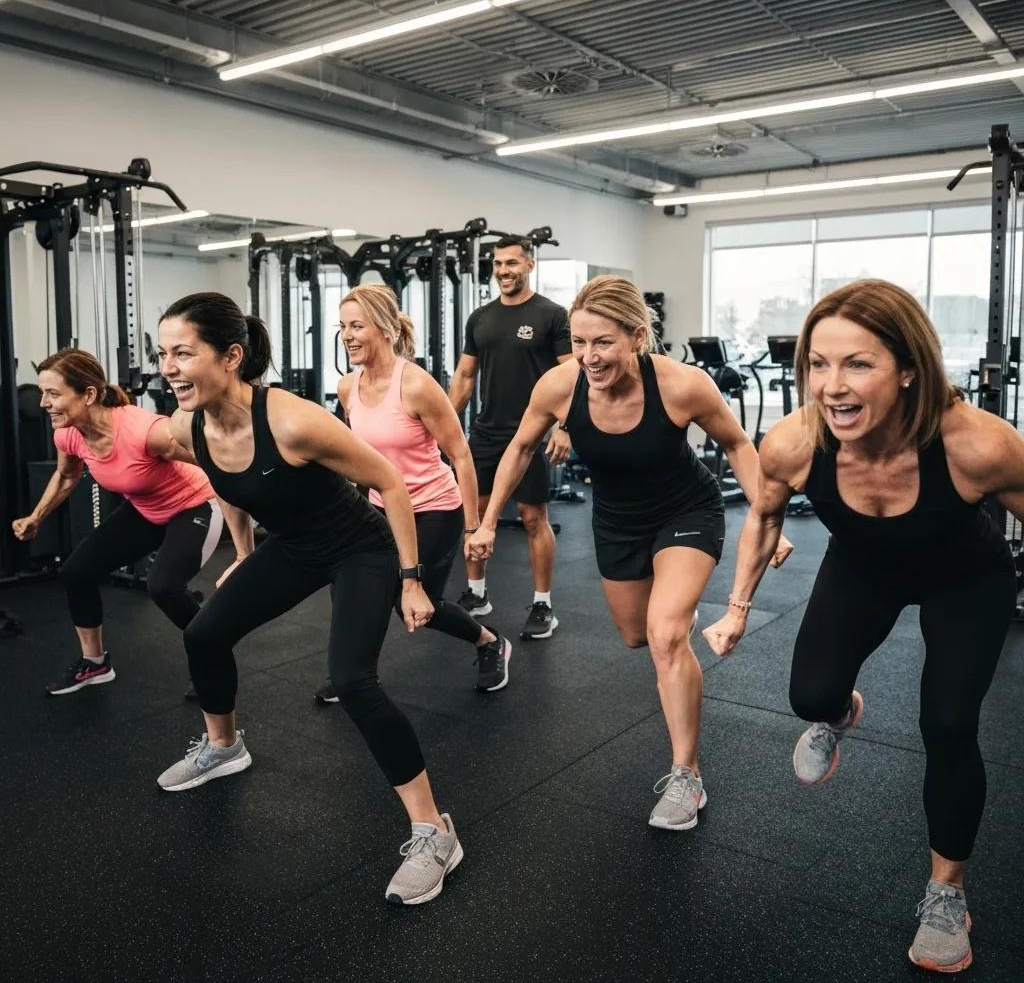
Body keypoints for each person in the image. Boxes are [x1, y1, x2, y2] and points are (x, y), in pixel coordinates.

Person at [703, 279, 1021, 973]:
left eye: (857, 364)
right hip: (865, 568)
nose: (831, 386)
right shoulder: (792, 443)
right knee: (809, 697)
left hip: (966, 579)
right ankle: (840, 712)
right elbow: (762, 514)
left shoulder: (979, 445)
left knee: (947, 722)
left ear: (909, 368)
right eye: (818, 363)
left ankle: (945, 893)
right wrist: (735, 610)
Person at [156, 292, 461, 905]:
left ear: (231, 356)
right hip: (293, 546)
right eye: (161, 353)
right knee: (204, 633)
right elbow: (229, 490)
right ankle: (224, 747)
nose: (166, 367)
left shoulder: (293, 420)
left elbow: (390, 483)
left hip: (360, 547)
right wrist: (243, 558)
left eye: (183, 353)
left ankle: (434, 831)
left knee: (352, 679)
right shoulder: (187, 426)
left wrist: (410, 577)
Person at [468, 276, 791, 829]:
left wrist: (766, 515)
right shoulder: (558, 386)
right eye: (580, 342)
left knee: (665, 635)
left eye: (604, 343)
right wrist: (486, 519)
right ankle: (673, 636)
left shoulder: (681, 386)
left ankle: (686, 776)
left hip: (687, 511)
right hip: (617, 521)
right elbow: (521, 446)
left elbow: (738, 443)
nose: (589, 357)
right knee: (637, 635)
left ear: (637, 337)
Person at [314, 283, 510, 701]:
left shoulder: (416, 385)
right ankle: (352, 672)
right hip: (380, 507)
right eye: (342, 326)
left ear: (384, 329)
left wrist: (473, 528)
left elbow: (460, 454)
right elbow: (354, 456)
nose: (346, 335)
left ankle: (489, 642)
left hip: (435, 507)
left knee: (421, 604)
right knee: (353, 583)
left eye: (356, 326)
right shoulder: (348, 387)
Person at [10, 348, 231, 695]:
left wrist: (259, 518)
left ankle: (212, 657)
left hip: (194, 506)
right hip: (145, 508)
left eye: (53, 394)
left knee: (163, 586)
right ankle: (95, 664)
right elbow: (67, 477)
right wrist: (36, 517)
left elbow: (218, 461)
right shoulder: (68, 432)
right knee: (76, 570)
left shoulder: (145, 431)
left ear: (88, 394)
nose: (43, 404)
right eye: (42, 394)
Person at [448, 236, 573, 640]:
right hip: (487, 431)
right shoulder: (481, 318)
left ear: (529, 265)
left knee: (533, 517)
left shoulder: (552, 315)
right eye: (498, 264)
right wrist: (445, 425)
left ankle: (543, 604)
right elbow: (466, 376)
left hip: (531, 433)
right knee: (476, 515)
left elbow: (572, 376)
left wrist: (565, 426)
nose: (503, 271)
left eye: (511, 263)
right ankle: (477, 593)